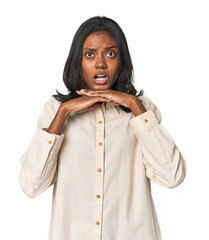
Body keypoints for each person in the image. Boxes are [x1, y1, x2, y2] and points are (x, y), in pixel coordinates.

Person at [18, 16, 187, 240]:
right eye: (89, 54)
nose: (100, 63)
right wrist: (63, 113)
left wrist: (134, 105)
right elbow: (32, 185)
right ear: (77, 61)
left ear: (122, 60)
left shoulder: (142, 110)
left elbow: (173, 176)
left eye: (110, 54)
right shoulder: (55, 110)